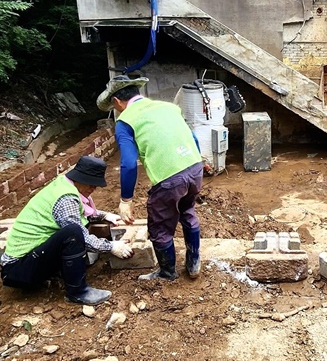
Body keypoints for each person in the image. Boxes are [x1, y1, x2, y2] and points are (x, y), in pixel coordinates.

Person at [96, 75, 204, 281]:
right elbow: (194, 138)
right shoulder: (168, 108)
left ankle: (167, 272)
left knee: (160, 226)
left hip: (170, 177)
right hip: (194, 167)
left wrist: (125, 200)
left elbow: (128, 163)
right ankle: (193, 263)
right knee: (187, 211)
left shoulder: (125, 121)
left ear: (117, 101)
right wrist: (196, 163)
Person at [1, 156, 133, 305]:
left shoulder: (65, 184)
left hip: (29, 260)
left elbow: (80, 213)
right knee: (73, 233)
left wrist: (105, 215)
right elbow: (82, 236)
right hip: (18, 270)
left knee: (75, 227)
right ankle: (77, 292)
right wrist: (112, 246)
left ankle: (61, 273)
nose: (93, 189)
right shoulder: (66, 198)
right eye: (91, 184)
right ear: (80, 178)